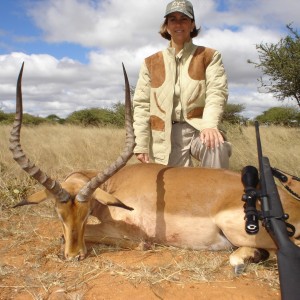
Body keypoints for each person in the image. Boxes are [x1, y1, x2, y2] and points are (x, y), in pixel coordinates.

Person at [133, 0, 232, 168]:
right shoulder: (151, 62)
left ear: (192, 25)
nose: (178, 24)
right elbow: (142, 104)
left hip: (199, 127)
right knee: (176, 188)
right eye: (172, 19)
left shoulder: (209, 56)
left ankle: (213, 192)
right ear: (166, 26)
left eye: (184, 19)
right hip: (165, 134)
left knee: (217, 147)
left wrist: (209, 126)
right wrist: (141, 143)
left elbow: (217, 92)